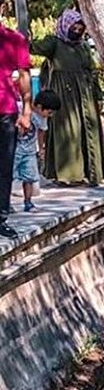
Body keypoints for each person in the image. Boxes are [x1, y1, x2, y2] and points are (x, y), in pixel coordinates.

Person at [33, 10, 104, 186]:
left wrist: (98, 96)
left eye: (80, 28)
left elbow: (92, 71)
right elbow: (34, 47)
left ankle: (90, 171)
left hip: (85, 95)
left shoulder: (82, 46)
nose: (76, 31)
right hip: (63, 96)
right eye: (73, 27)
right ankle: (68, 174)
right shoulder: (54, 44)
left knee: (86, 131)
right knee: (67, 131)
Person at [0, 18, 32, 240]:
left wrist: (27, 111)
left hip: (5, 110)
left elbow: (24, 75)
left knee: (4, 166)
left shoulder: (14, 39)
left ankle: (1, 218)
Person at [13, 89, 60, 212]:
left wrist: (41, 148)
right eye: (49, 112)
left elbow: (41, 132)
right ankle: (5, 202)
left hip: (29, 151)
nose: (49, 116)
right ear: (39, 107)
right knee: (8, 177)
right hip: (14, 149)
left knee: (29, 177)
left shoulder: (42, 118)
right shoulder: (21, 108)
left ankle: (28, 202)